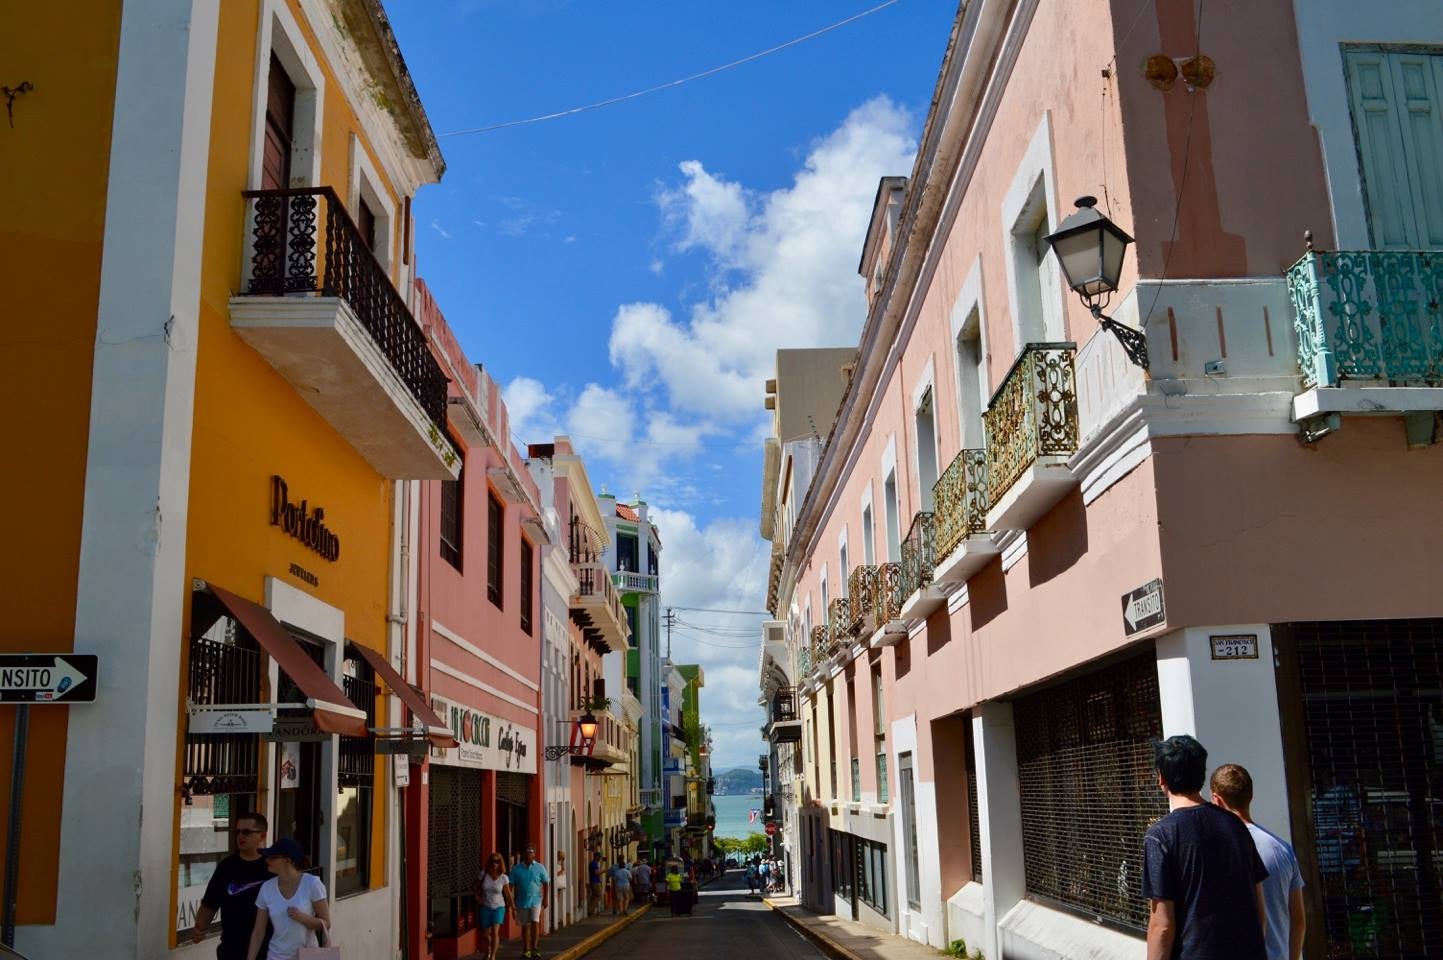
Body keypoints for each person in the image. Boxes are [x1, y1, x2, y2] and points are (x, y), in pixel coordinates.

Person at [1143, 735, 1267, 960]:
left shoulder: (1160, 836)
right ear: (1202, 774)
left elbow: (1162, 925)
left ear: (1161, 777)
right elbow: (1259, 910)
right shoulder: (1235, 824)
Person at [1211, 763, 1306, 960]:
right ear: (1251, 796)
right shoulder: (1283, 849)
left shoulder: (1214, 851)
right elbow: (1298, 920)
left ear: (1216, 800)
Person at [192, 812, 273, 959]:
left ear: (262, 836)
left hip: (268, 949)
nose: (240, 836)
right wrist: (199, 928)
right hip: (232, 948)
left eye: (246, 832)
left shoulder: (273, 866)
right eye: (237, 832)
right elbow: (210, 902)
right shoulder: (227, 867)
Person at [245, 838, 330, 960]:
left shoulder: (312, 884)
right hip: (276, 956)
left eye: (272, 857)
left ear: (287, 860)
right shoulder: (266, 888)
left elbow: (326, 923)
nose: (267, 860)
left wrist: (302, 918)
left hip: (307, 956)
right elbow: (258, 931)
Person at [509, 844, 550, 959]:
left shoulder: (540, 867)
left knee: (535, 923)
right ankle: (526, 949)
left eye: (531, 852)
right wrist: (511, 900)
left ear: (534, 854)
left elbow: (546, 883)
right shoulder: (517, 869)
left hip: (536, 900)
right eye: (527, 852)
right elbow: (510, 885)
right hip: (521, 901)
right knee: (525, 925)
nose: (529, 854)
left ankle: (535, 948)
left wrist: (546, 899)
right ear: (524, 854)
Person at [474, 852, 515, 960]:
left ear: (500, 863)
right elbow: (475, 886)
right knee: (486, 935)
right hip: (486, 906)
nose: (494, 863)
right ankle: (487, 952)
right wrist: (478, 897)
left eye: (497, 861)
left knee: (495, 931)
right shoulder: (483, 874)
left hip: (499, 907)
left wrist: (513, 908)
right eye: (492, 861)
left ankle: (493, 956)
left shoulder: (503, 877)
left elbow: (508, 894)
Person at [587, 852, 604, 917]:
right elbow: (596, 873)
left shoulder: (594, 863)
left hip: (594, 881)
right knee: (599, 896)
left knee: (594, 897)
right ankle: (591, 910)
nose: (600, 858)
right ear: (596, 856)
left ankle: (592, 911)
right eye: (599, 857)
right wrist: (603, 871)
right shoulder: (594, 863)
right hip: (595, 882)